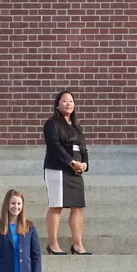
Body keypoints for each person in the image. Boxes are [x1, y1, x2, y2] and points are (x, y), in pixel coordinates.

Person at [43, 90, 90, 255]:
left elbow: (83, 149)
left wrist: (84, 164)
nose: (68, 103)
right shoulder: (52, 124)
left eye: (71, 101)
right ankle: (53, 244)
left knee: (77, 207)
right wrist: (71, 162)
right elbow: (55, 146)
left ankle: (77, 245)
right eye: (64, 101)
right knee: (56, 206)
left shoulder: (76, 127)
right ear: (57, 104)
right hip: (57, 169)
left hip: (76, 172)